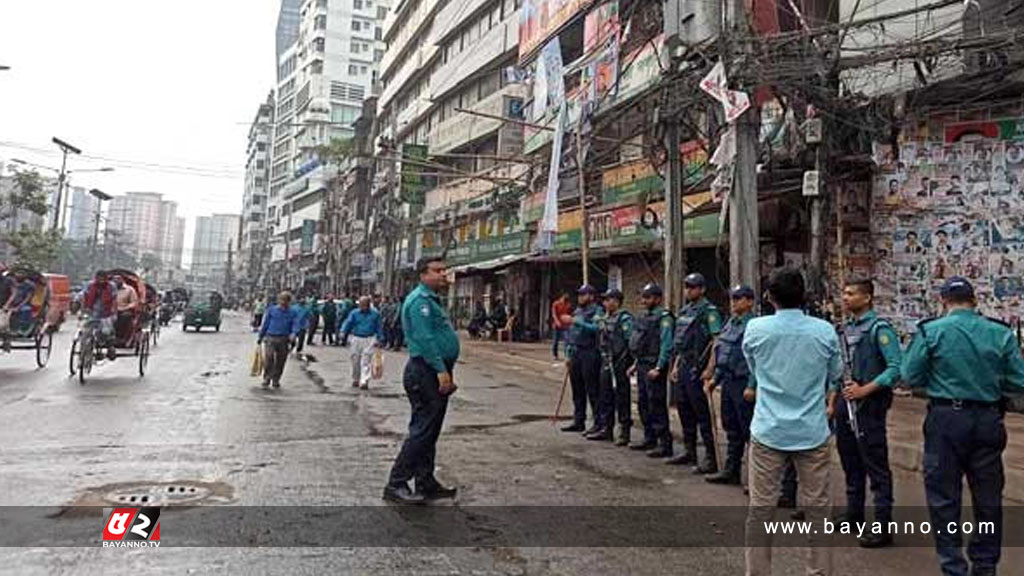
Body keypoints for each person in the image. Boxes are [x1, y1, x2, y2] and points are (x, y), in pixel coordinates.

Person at [901, 276, 1024, 576]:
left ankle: (953, 566)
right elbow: (1019, 380)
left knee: (944, 498)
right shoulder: (1000, 333)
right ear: (975, 300)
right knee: (988, 498)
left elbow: (909, 375)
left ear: (944, 302)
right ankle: (984, 566)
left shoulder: (931, 331)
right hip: (987, 420)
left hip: (946, 420)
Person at [742, 267, 840, 576]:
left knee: (761, 510)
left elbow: (755, 370)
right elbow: (835, 375)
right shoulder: (825, 331)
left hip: (768, 430)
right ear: (805, 296)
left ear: (769, 297)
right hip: (812, 430)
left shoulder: (755, 329)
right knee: (818, 511)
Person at [384, 257, 460, 505]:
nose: (443, 274)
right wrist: (440, 369)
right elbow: (425, 338)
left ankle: (425, 481)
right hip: (425, 370)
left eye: (444, 270)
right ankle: (396, 482)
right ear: (423, 275)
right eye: (437, 271)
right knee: (422, 429)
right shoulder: (420, 302)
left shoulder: (432, 300)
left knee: (430, 430)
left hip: (435, 368)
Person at [835, 279, 902, 548]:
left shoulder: (879, 329)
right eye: (845, 292)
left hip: (869, 404)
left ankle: (882, 524)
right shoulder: (845, 329)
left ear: (867, 298)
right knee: (850, 460)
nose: (845, 297)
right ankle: (854, 514)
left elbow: (896, 368)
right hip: (846, 401)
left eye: (851, 293)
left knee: (875, 465)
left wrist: (866, 390)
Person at [667, 272, 723, 471]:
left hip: (698, 369)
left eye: (692, 287)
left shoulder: (709, 311)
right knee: (684, 411)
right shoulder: (684, 311)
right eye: (687, 287)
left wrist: (710, 368)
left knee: (702, 415)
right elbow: (681, 344)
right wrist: (675, 367)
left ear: (702, 289)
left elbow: (716, 342)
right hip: (684, 366)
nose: (688, 290)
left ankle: (711, 458)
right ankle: (689, 452)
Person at [703, 285, 757, 486]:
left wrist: (752, 385)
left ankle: (753, 479)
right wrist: (714, 379)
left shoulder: (753, 325)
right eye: (732, 298)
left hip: (744, 382)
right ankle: (731, 471)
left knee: (749, 432)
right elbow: (723, 353)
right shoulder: (730, 323)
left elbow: (756, 359)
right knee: (731, 428)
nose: (734, 302)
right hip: (728, 381)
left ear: (750, 301)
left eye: (739, 298)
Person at [627, 283, 675, 453]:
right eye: (644, 297)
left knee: (657, 404)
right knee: (643, 403)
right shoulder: (644, 317)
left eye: (648, 297)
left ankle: (664, 443)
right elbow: (642, 343)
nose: (644, 301)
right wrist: (635, 364)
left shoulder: (664, 318)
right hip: (642, 364)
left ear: (657, 298)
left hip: (654, 366)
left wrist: (659, 367)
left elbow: (666, 344)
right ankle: (649, 438)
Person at [591, 288, 634, 444]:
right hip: (606, 361)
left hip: (619, 362)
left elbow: (631, 342)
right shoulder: (603, 319)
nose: (605, 303)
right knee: (605, 396)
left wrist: (628, 362)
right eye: (605, 300)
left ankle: (624, 431)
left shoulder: (624, 319)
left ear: (616, 302)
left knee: (622, 397)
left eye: (609, 300)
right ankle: (606, 429)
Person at [560, 285, 603, 434]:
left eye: (583, 295)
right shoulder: (577, 311)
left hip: (590, 352)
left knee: (593, 389)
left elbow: (596, 329)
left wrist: (577, 322)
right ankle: (579, 421)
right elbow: (571, 333)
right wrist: (568, 353)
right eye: (579, 295)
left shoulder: (597, 311)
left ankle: (598, 423)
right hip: (576, 352)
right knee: (577, 389)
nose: (580, 297)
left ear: (591, 296)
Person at [258, 291, 302, 389]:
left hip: (284, 339)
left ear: (289, 302)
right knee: (269, 358)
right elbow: (266, 323)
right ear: (278, 300)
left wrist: (294, 334)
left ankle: (276, 379)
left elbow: (296, 324)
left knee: (280, 360)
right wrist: (260, 337)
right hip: (270, 337)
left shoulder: (293, 312)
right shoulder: (272, 310)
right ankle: (267, 378)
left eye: (285, 301)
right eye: (281, 300)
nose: (283, 303)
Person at [341, 296, 384, 390]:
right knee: (355, 359)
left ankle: (364, 380)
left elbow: (379, 327)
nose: (363, 307)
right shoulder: (354, 313)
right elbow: (348, 323)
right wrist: (343, 332)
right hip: (356, 338)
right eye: (361, 305)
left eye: (365, 305)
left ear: (369, 305)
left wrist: (380, 339)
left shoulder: (375, 314)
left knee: (366, 359)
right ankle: (356, 378)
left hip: (369, 338)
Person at [112, 275, 139, 346]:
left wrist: (126, 307)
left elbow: (134, 302)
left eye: (118, 279)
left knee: (125, 317)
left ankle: (121, 337)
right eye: (114, 280)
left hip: (124, 310)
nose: (116, 281)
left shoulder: (130, 289)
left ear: (122, 280)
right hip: (110, 310)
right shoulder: (109, 289)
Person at [551, 293, 572, 359]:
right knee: (555, 341)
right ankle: (555, 354)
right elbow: (554, 314)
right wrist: (557, 322)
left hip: (565, 325)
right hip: (557, 325)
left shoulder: (568, 305)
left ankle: (566, 355)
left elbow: (569, 314)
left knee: (567, 340)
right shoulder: (556, 304)